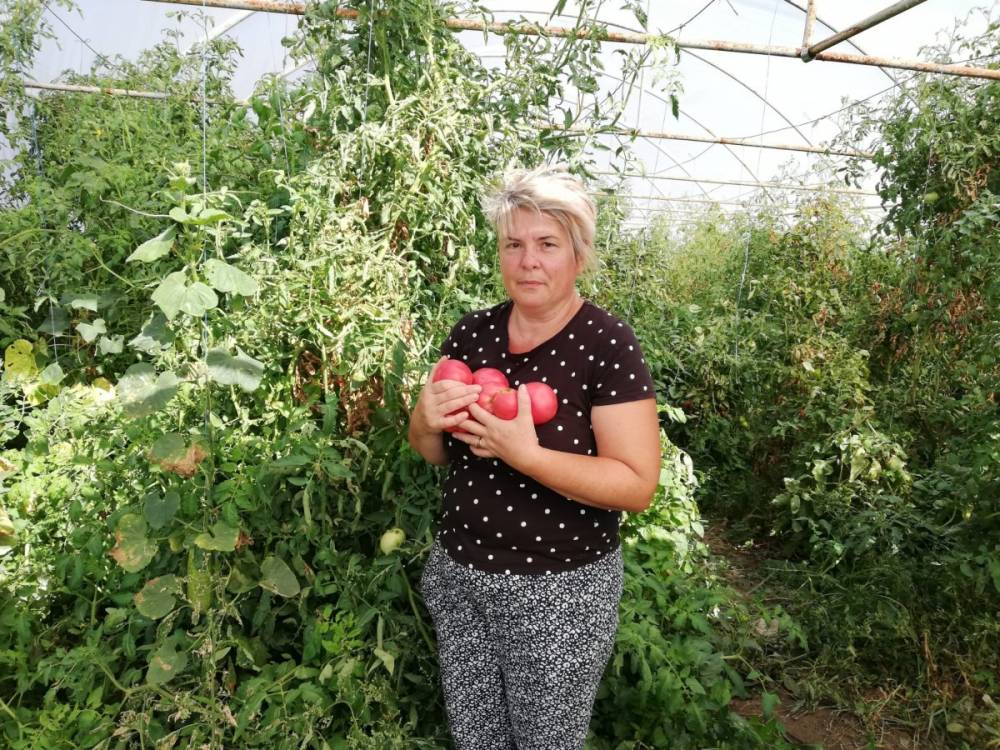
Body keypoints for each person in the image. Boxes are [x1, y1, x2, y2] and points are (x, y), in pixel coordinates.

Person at [407, 165, 660, 750]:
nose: (528, 261)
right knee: (478, 738)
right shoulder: (471, 336)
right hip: (461, 575)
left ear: (577, 254)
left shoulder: (606, 344)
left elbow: (636, 485)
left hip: (557, 592)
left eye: (547, 244)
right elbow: (434, 453)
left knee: (545, 740)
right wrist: (422, 418)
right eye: (513, 245)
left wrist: (527, 455)